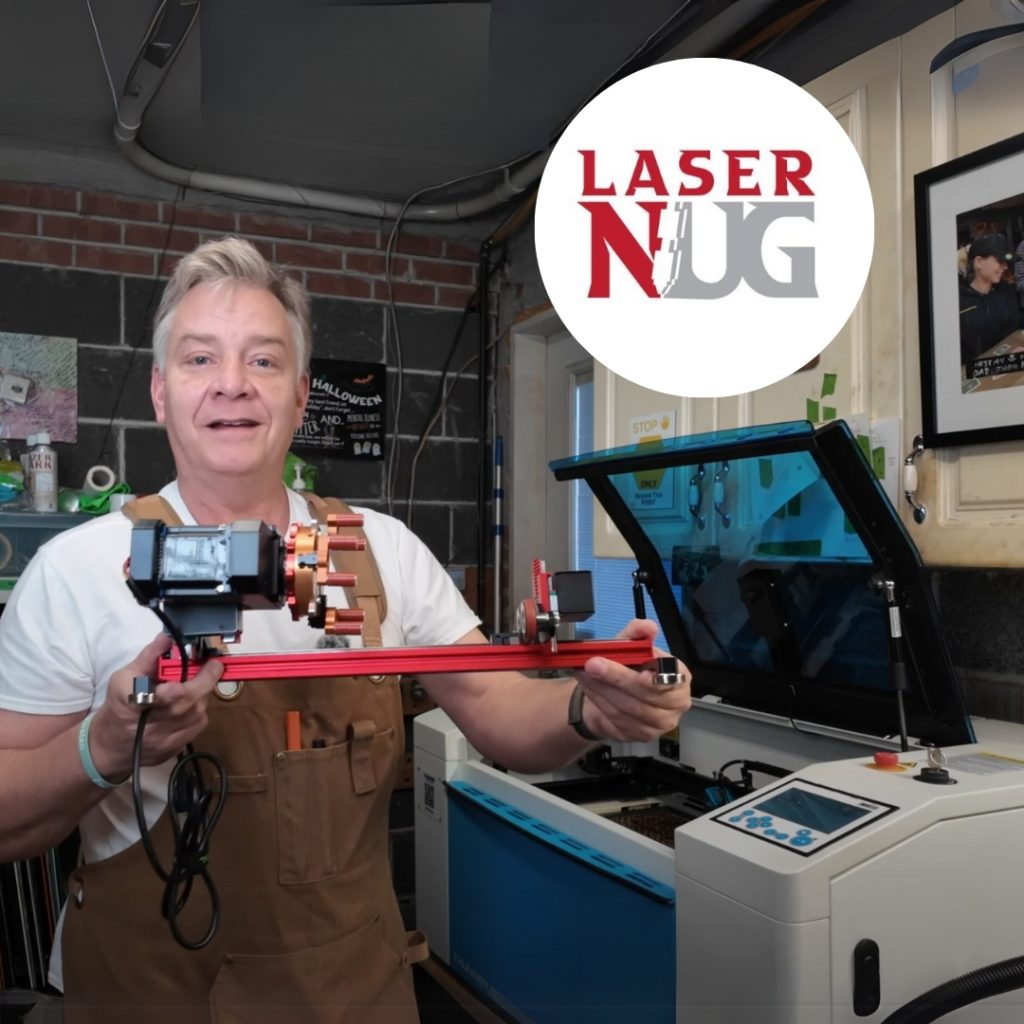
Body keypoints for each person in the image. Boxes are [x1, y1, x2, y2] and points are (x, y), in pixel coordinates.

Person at [0, 237, 691, 1023]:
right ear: (160, 393)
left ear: (300, 397)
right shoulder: (79, 569)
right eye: (199, 360)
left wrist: (588, 712)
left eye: (264, 361)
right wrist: (104, 745)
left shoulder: (375, 550)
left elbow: (501, 710)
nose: (232, 384)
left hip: (352, 996)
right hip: (144, 1000)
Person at [959, 232, 1024, 373]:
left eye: (1006, 262)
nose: (1005, 267)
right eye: (1000, 261)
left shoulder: (1007, 291)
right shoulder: (957, 302)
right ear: (978, 262)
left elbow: (1018, 324)